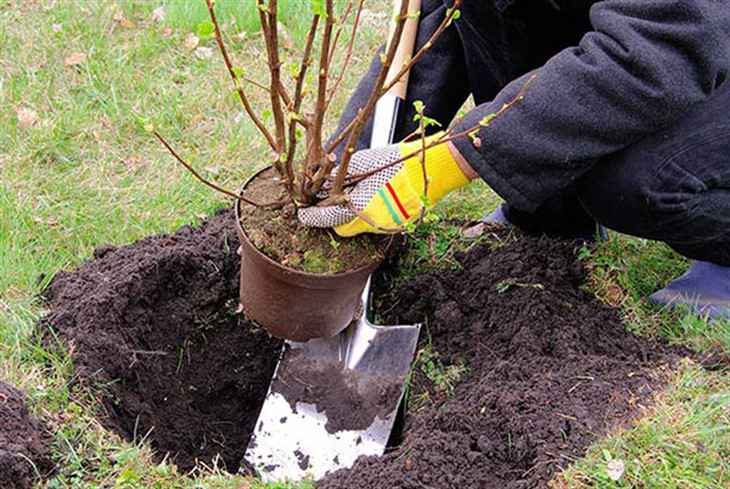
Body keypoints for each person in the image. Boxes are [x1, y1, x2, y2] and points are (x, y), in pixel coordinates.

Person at [299, 0, 730, 320]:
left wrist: (454, 158)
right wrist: (349, 165)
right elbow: (440, 24)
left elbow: (662, 46)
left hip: (692, 36)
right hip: (670, 35)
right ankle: (553, 210)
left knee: (631, 183)